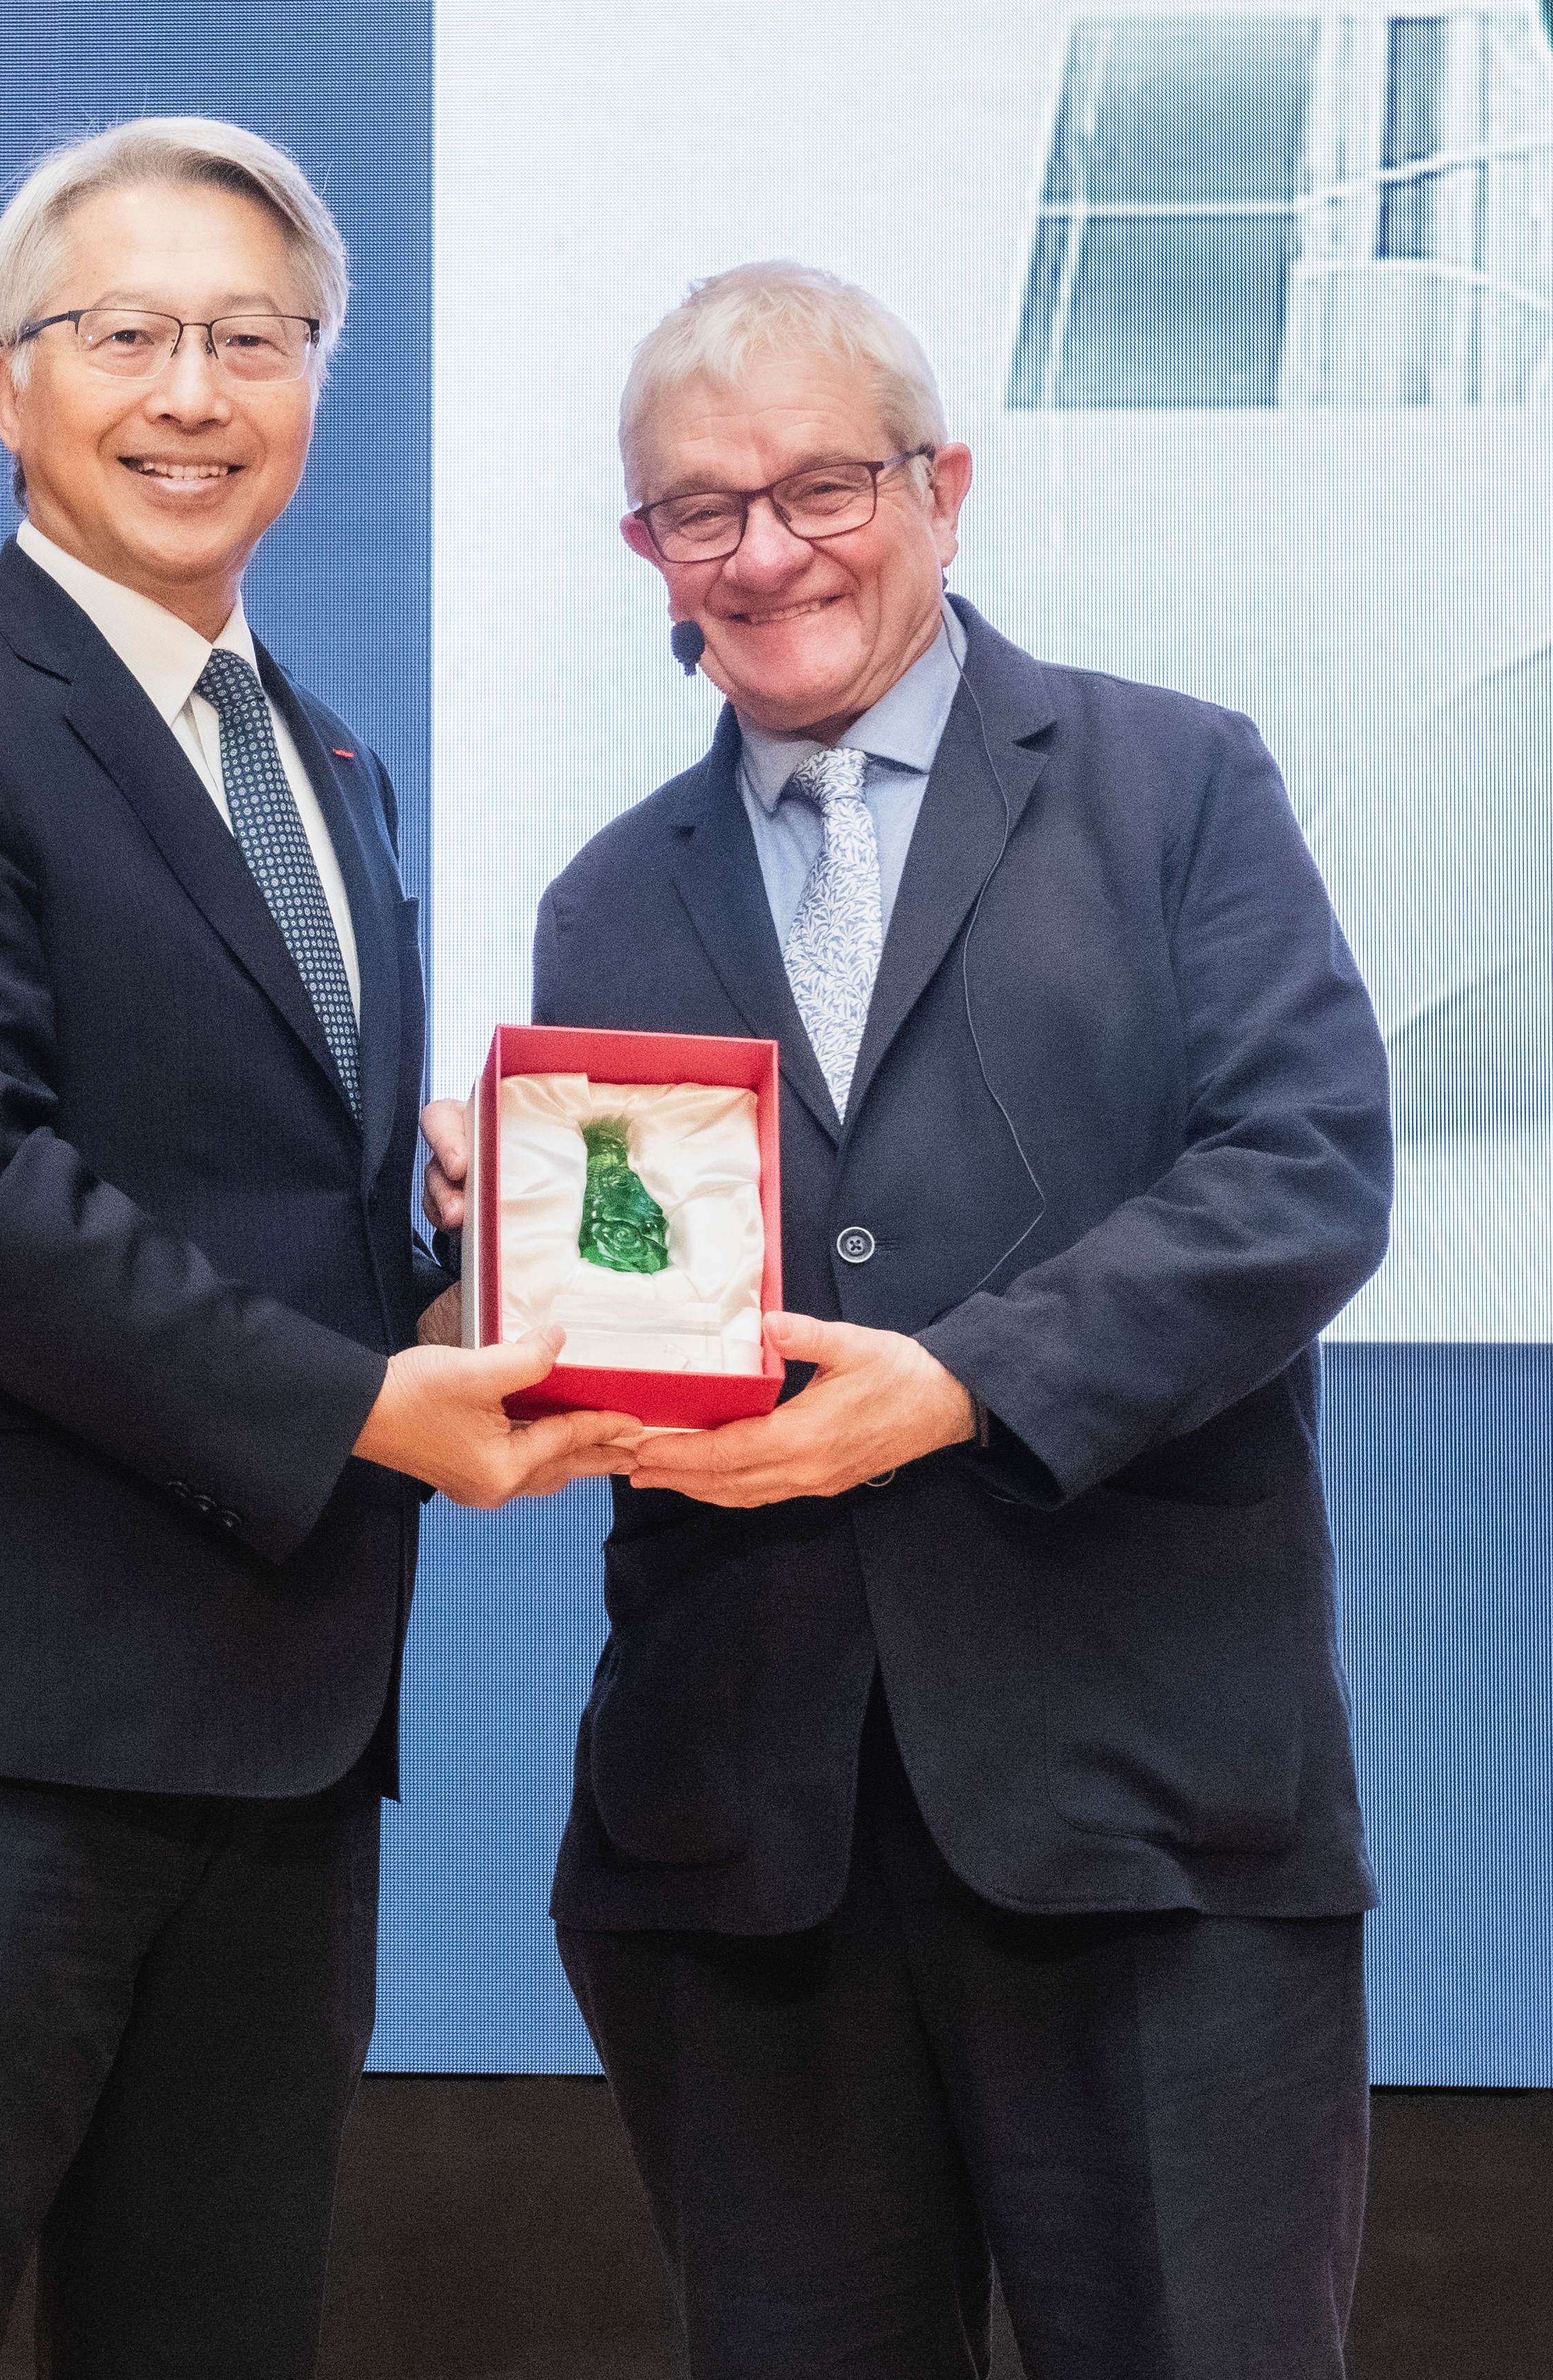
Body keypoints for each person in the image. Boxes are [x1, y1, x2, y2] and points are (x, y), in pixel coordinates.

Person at [435, 259, 1395, 2378]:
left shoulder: (1178, 787)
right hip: (747, 1839)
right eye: (702, 511)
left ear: (946, 487)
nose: (766, 554)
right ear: (645, 556)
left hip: (1143, 1817)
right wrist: (490, 1246)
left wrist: (965, 1386)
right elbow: (645, 1298)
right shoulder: (606, 895)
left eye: (821, 487)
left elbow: (1303, 1174)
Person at [0, 118, 630, 2380]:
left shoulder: (330, 769)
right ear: (10, 386)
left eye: (254, 339)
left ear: (318, 384)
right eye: (125, 335)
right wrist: (362, 1404)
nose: (192, 395)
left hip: (281, 1715)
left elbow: (256, 1189)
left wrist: (467, 1265)